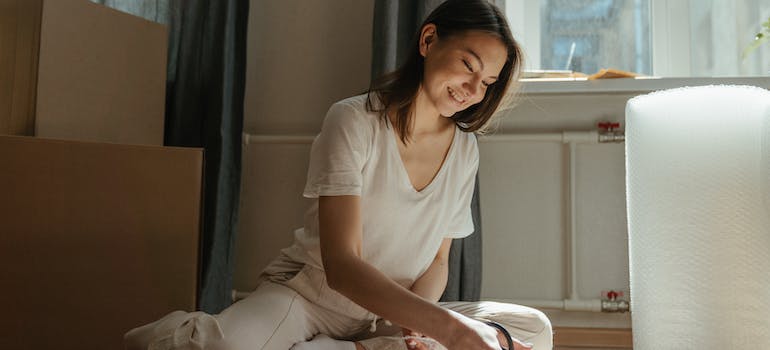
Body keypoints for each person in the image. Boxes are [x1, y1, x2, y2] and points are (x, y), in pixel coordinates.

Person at [124, 1, 552, 349]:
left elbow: (439, 261)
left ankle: (345, 348)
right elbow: (343, 267)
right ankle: (177, 335)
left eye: (488, 82)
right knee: (222, 348)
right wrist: (451, 330)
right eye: (468, 65)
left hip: (391, 314)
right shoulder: (353, 120)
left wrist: (417, 328)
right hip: (311, 299)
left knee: (531, 328)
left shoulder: (465, 149)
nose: (473, 90)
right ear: (428, 40)